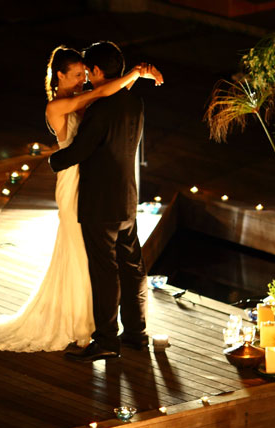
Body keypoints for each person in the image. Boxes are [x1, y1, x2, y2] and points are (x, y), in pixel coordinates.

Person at [0, 45, 161, 353]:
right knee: (93, 255)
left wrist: (134, 74)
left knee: (98, 260)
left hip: (96, 184)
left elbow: (105, 96)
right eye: (77, 74)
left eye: (86, 73)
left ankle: (99, 329)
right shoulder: (61, 106)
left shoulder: (102, 99)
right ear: (59, 76)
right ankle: (97, 325)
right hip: (81, 183)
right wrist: (134, 74)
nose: (83, 79)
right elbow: (102, 95)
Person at [49, 41, 158, 362]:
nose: (85, 77)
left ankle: (108, 340)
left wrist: (54, 162)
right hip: (127, 197)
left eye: (87, 71)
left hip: (99, 201)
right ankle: (137, 334)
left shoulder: (99, 109)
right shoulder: (134, 101)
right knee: (133, 267)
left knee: (104, 271)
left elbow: (80, 151)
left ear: (96, 71)